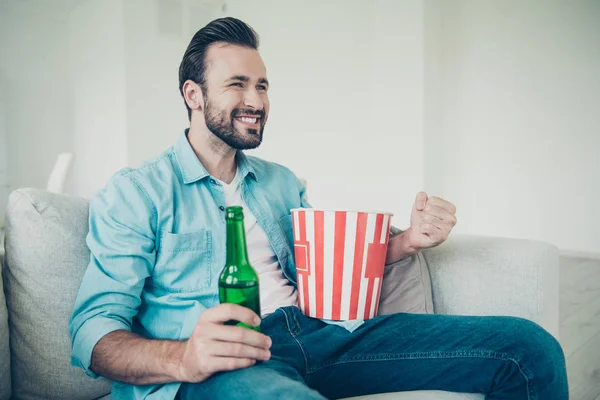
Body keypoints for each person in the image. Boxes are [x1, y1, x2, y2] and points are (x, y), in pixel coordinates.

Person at [69, 17, 568, 400]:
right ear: (193, 95)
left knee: (528, 348)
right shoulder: (137, 192)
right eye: (237, 84)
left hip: (319, 335)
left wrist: (407, 242)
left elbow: (327, 271)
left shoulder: (280, 181)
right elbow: (93, 333)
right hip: (225, 365)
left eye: (262, 85)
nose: (256, 100)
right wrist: (184, 359)